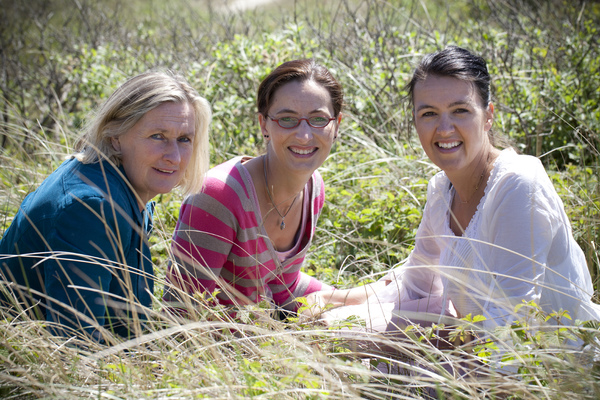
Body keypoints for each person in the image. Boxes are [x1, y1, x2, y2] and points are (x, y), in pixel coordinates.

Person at [305, 46, 600, 335]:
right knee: (332, 333)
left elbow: (514, 327)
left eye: (460, 110)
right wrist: (334, 304)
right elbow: (415, 286)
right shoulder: (441, 190)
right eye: (429, 114)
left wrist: (405, 345)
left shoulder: (518, 185)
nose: (444, 128)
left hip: (548, 365)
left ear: (488, 116)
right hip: (477, 350)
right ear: (416, 122)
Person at [0, 70, 212, 341]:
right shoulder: (91, 208)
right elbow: (76, 345)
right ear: (115, 137)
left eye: (184, 139)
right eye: (158, 136)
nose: (174, 156)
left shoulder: (120, 183)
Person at [164, 59, 342, 318]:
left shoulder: (313, 188)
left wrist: (366, 295)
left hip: (263, 336)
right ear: (263, 125)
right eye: (287, 119)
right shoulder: (218, 195)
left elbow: (284, 287)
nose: (304, 135)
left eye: (318, 119)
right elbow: (181, 313)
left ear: (336, 125)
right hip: (224, 350)